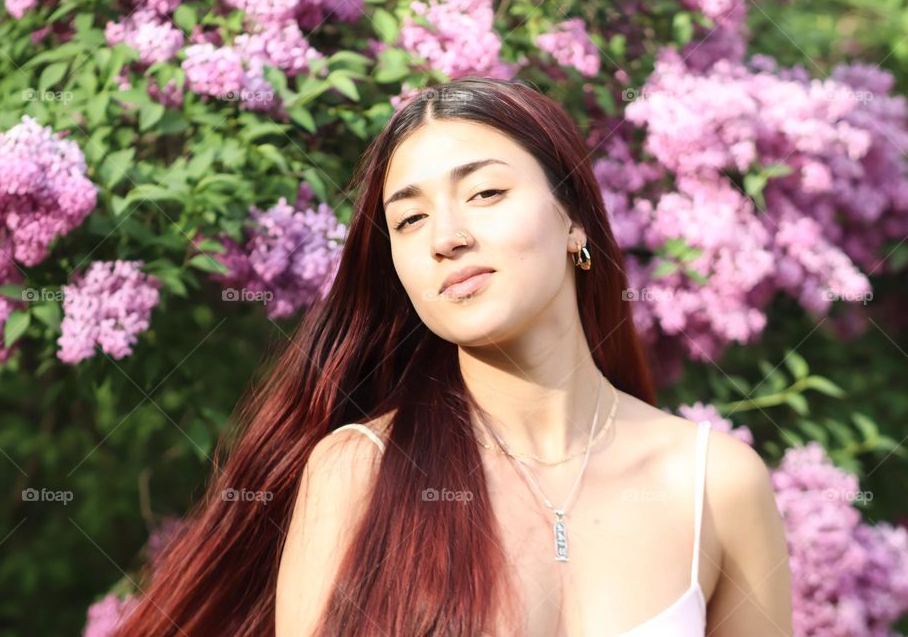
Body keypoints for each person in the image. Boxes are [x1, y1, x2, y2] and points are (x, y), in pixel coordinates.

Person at [115, 76, 793, 637]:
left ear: (574, 220)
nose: (447, 237)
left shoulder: (716, 484)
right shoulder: (361, 473)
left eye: (486, 194)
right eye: (409, 220)